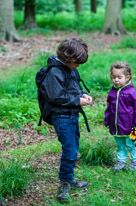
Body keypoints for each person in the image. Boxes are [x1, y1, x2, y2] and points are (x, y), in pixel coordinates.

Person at [41, 38, 92, 201]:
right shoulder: (55, 72)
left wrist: (82, 95)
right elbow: (56, 96)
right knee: (70, 150)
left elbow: (72, 88)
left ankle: (69, 178)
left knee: (74, 146)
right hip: (61, 117)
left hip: (72, 115)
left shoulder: (70, 69)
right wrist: (77, 101)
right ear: (66, 59)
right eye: (76, 63)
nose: (78, 66)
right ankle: (64, 183)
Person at [104, 61, 136, 171]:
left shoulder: (131, 92)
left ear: (127, 77)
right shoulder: (112, 92)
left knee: (131, 145)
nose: (116, 80)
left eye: (119, 77)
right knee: (120, 145)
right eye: (113, 77)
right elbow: (109, 107)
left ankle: (135, 161)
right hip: (116, 125)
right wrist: (107, 119)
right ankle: (121, 161)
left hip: (129, 125)